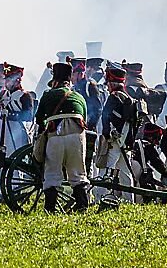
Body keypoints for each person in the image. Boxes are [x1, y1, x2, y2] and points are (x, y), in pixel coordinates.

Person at [34, 62, 90, 212]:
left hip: (55, 137)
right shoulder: (79, 97)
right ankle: (82, 206)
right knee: (77, 173)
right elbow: (85, 117)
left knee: (52, 173)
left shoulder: (48, 95)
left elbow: (39, 118)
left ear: (55, 81)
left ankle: (50, 209)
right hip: (77, 138)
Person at [95, 66, 139, 198]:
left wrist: (107, 135)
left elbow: (105, 117)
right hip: (125, 142)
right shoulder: (128, 98)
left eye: (108, 84)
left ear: (112, 83)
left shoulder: (113, 97)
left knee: (106, 171)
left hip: (114, 142)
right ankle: (129, 201)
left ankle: (99, 198)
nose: (107, 87)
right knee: (125, 174)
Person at [0, 63, 34, 156]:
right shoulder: (2, 94)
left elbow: (28, 116)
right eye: (5, 80)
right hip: (2, 134)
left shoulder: (24, 96)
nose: (6, 83)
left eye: (9, 80)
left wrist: (9, 114)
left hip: (17, 134)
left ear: (17, 81)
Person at [71, 57, 103, 130]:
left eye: (73, 74)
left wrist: (90, 126)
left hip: (87, 127)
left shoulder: (89, 86)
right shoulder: (73, 89)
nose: (71, 78)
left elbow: (97, 109)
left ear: (80, 74)